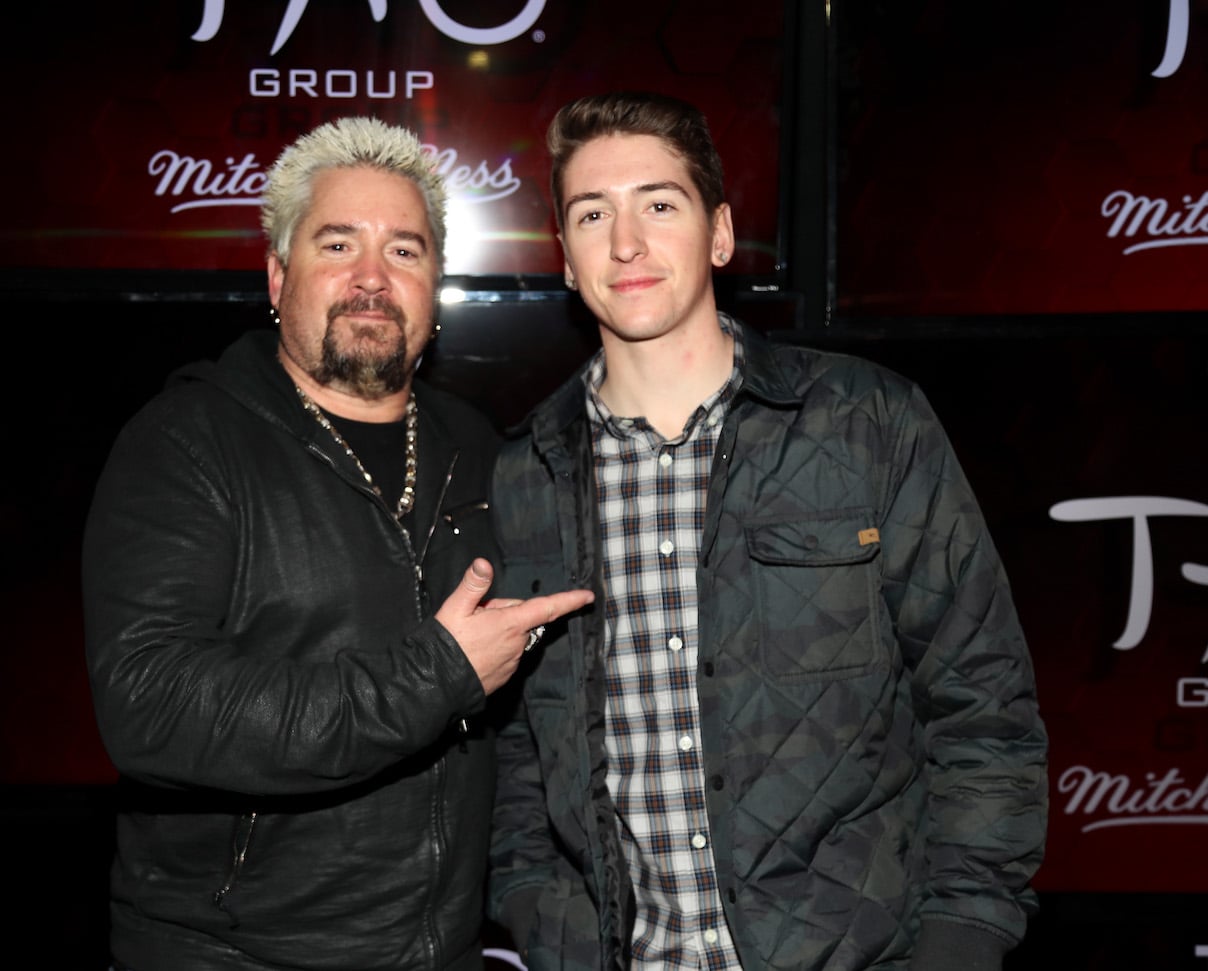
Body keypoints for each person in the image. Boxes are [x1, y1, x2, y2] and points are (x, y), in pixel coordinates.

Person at [486, 92, 1048, 971]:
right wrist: (545, 921)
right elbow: (520, 750)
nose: (626, 242)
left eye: (658, 204)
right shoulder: (527, 471)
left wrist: (960, 942)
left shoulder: (867, 422)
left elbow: (983, 705)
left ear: (719, 234)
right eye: (593, 214)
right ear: (565, 257)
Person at [81, 115, 593, 971]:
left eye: (404, 250)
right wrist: (435, 675)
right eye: (338, 244)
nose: (371, 277)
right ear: (278, 277)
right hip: (234, 955)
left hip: (443, 951)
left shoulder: (482, 451)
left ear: (434, 285)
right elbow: (149, 707)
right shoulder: (187, 442)